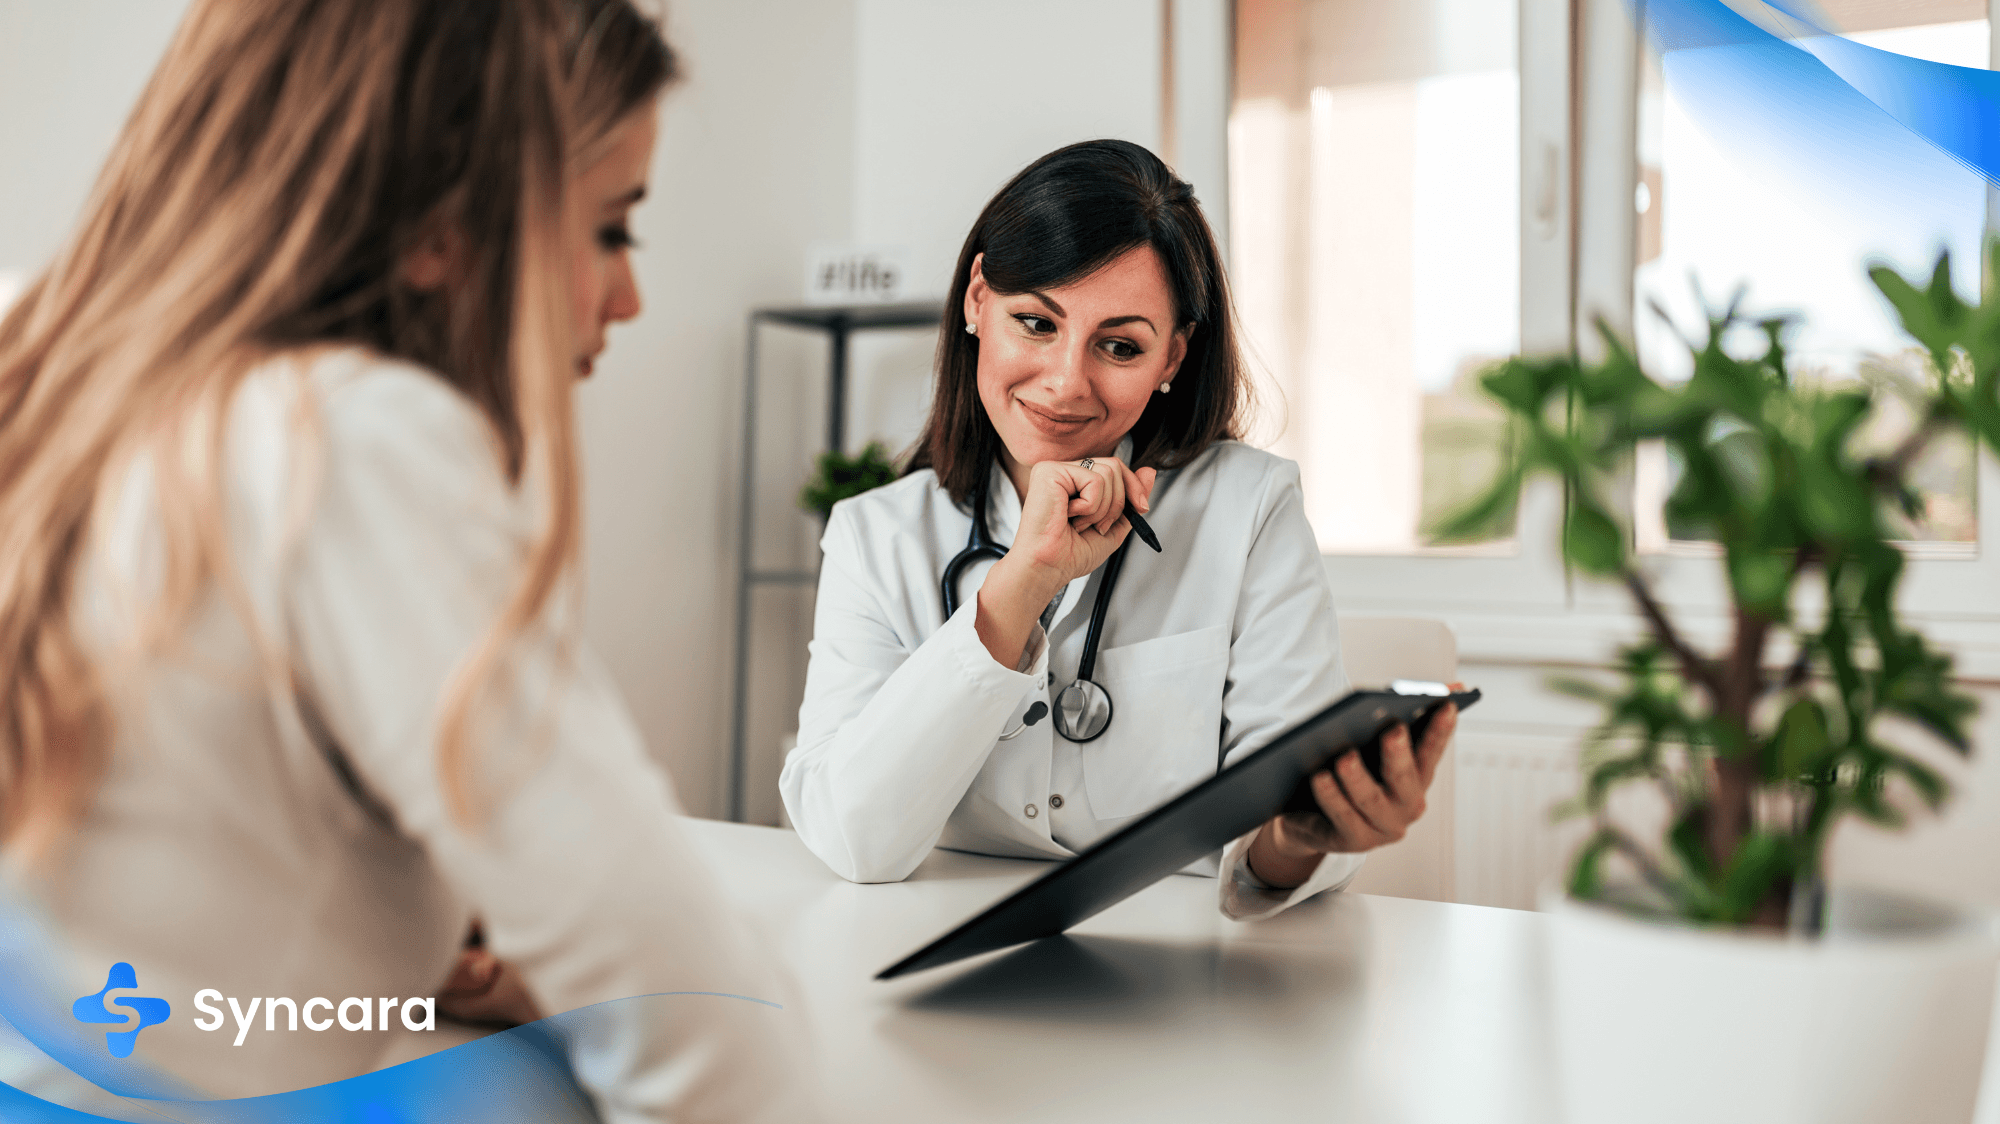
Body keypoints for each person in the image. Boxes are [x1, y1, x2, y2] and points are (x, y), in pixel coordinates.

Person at [0, 1, 820, 1119]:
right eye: (610, 229)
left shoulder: (47, 368)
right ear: (441, 226)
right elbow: (696, 1020)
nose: (626, 297)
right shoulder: (343, 440)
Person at [780, 139, 1457, 919]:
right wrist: (1019, 586)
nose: (1067, 383)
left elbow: (1271, 831)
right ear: (976, 301)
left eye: (1120, 346)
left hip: (1186, 973)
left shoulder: (1249, 507)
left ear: (1174, 354)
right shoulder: (876, 536)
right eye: (1035, 322)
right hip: (931, 949)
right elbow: (854, 840)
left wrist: (1304, 836)